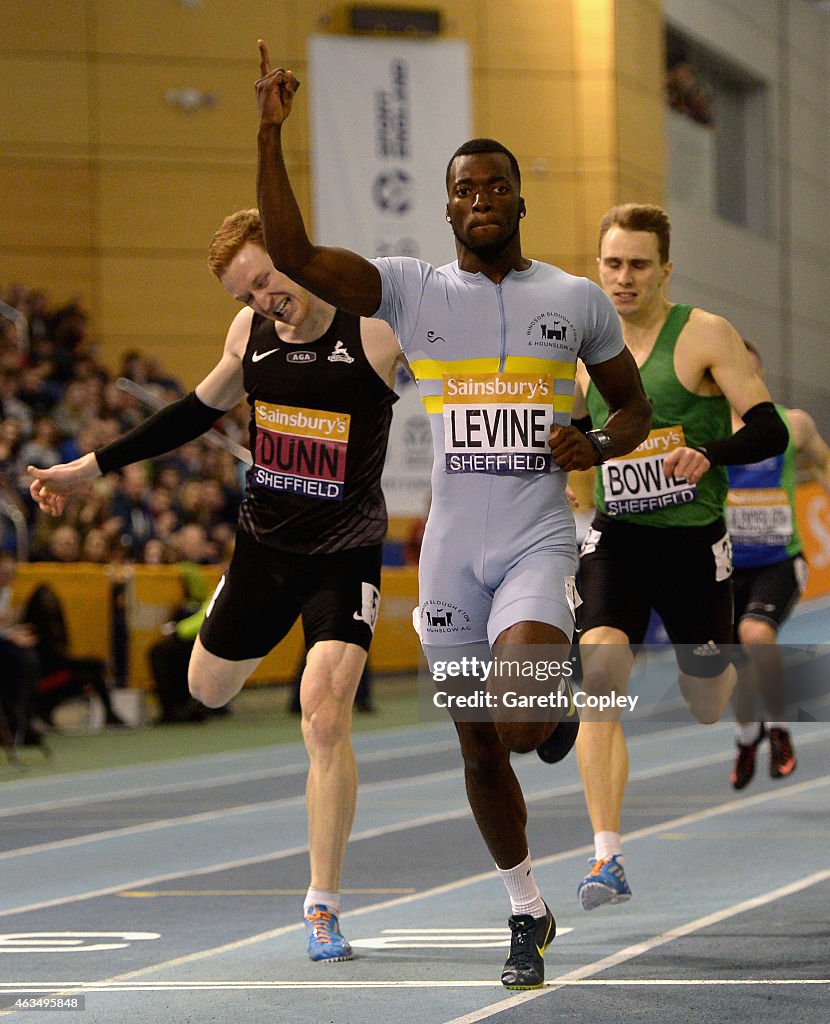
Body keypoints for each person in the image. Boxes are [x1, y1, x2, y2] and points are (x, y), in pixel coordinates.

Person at [254, 44, 652, 989]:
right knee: (477, 745)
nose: (481, 198)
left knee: (514, 725)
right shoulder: (412, 289)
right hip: (447, 555)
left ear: (519, 199)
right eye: (465, 187)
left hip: (533, 536)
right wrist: (269, 130)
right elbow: (296, 257)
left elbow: (631, 409)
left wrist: (595, 446)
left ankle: (545, 713)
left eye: (497, 186)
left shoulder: (577, 299)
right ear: (447, 205)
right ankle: (527, 908)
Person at [27, 208, 404, 964]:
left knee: (323, 713)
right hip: (263, 549)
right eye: (245, 293)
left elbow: (469, 384)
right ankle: (237, 600)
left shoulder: (375, 334)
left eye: (266, 280)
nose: (264, 299)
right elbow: (191, 414)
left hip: (346, 553)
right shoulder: (249, 338)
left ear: (294, 260)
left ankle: (322, 906)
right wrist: (87, 467)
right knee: (205, 689)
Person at [572, 203, 788, 912]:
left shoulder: (704, 335)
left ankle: (744, 711)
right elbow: (572, 438)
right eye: (612, 264)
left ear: (665, 269)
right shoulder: (581, 346)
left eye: (638, 265)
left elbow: (769, 429)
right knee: (599, 671)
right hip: (618, 537)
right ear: (598, 266)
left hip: (694, 541)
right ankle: (608, 856)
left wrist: (710, 452)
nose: (624, 278)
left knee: (706, 700)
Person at [727, 340, 830, 789]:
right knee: (736, 666)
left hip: (779, 561)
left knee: (756, 634)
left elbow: (824, 464)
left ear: (761, 376)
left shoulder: (793, 425)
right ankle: (748, 737)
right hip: (723, 568)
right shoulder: (704, 432)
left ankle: (780, 728)